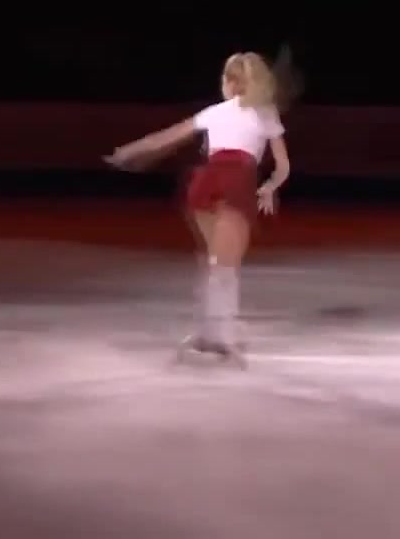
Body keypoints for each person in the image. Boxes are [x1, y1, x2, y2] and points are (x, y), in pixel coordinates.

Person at [105, 51, 293, 366]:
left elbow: (163, 139)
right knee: (225, 268)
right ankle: (222, 337)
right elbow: (283, 166)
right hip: (236, 184)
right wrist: (269, 187)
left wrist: (128, 152)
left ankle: (208, 333)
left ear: (230, 82)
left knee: (211, 262)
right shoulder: (265, 112)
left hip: (204, 183)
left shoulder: (214, 112)